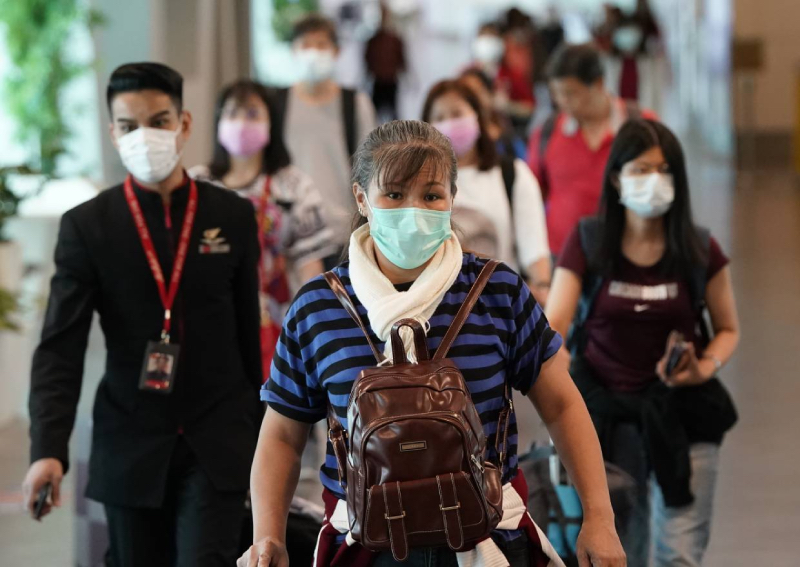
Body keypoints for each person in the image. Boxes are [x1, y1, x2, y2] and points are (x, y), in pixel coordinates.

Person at [237, 120, 626, 567]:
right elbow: (283, 435)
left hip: (487, 537)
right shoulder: (318, 307)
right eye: (394, 194)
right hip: (365, 549)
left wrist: (600, 517)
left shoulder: (496, 291)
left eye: (432, 196)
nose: (414, 211)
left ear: (452, 199)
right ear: (362, 199)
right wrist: (268, 535)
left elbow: (562, 405)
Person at [23, 62, 263, 567]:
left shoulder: (232, 216)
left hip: (217, 440)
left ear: (184, 124)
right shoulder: (89, 226)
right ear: (113, 134)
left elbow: (249, 337)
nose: (144, 137)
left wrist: (261, 437)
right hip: (130, 442)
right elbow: (60, 348)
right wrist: (48, 448)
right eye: (129, 126)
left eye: (158, 121)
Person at [545, 119, 740, 567]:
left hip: (681, 416)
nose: (653, 180)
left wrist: (703, 367)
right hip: (604, 421)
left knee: (678, 556)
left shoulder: (699, 249)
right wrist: (560, 369)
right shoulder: (589, 241)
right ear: (617, 178)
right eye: (640, 169)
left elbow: (728, 328)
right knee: (615, 552)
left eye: (663, 170)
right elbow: (555, 324)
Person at [190, 79, 337, 375]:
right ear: (218, 121)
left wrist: (313, 333)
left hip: (278, 328)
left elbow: (310, 270)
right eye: (232, 113)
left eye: (252, 113)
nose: (241, 123)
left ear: (272, 122)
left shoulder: (294, 185)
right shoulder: (196, 185)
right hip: (208, 325)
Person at [421, 80, 551, 305]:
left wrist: (542, 290)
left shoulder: (512, 174)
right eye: (439, 118)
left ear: (477, 117)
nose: (449, 124)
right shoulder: (419, 184)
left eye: (457, 114)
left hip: (502, 308)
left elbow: (535, 252)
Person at [527, 43, 655, 257]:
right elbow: (531, 195)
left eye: (570, 93)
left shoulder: (642, 127)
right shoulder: (547, 133)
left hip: (627, 255)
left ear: (598, 83)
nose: (563, 102)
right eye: (556, 94)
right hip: (562, 256)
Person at [276, 13, 377, 263]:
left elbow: (372, 168)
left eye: (321, 45)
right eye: (305, 45)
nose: (313, 53)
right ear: (293, 51)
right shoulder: (278, 103)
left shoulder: (355, 104)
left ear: (336, 51)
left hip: (342, 234)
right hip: (290, 235)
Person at [460, 68, 528, 161]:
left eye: (477, 92)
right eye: (466, 95)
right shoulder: (459, 149)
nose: (473, 101)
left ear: (489, 94)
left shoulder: (510, 141)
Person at [364, 4, 406, 121]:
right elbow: (367, 59)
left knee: (393, 112)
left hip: (391, 81)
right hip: (378, 82)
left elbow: (402, 58)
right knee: (374, 112)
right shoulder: (373, 41)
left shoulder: (395, 40)